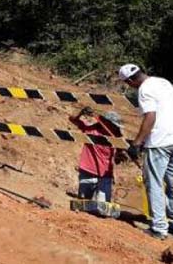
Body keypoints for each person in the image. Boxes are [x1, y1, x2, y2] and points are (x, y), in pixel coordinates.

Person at [120, 63, 173, 240]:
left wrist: (136, 143)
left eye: (128, 84)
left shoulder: (144, 90)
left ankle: (159, 228)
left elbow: (150, 116)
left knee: (154, 183)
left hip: (159, 141)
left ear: (129, 80)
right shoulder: (163, 82)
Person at [69, 107, 123, 205]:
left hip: (105, 176)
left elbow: (119, 156)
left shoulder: (117, 137)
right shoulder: (91, 130)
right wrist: (81, 112)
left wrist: (121, 155)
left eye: (117, 127)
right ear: (106, 123)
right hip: (88, 171)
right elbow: (73, 119)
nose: (116, 128)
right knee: (83, 204)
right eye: (114, 126)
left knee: (103, 207)